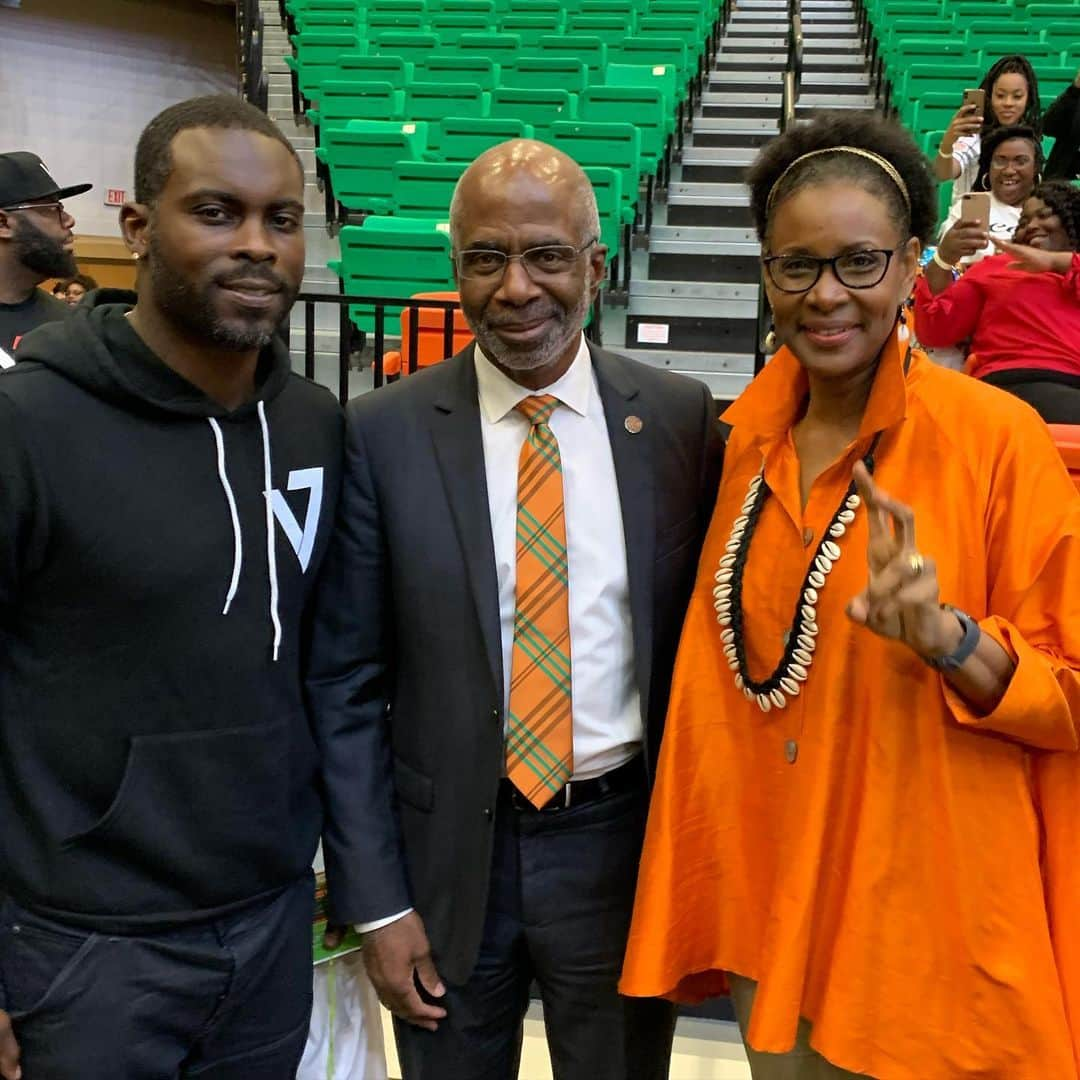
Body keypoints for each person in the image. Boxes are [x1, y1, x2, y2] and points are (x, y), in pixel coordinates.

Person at [620, 110, 1080, 1080]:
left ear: (913, 264)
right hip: (767, 891)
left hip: (920, 919)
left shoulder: (997, 440)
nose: (827, 295)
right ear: (766, 273)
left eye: (860, 263)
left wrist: (952, 639)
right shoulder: (740, 437)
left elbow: (1069, 688)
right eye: (797, 265)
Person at [308, 138, 722, 1080]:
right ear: (455, 269)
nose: (517, 288)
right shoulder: (381, 433)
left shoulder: (677, 420)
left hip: (620, 851)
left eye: (545, 256)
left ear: (595, 265)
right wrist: (375, 902)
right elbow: (342, 682)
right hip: (444, 860)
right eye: (486, 259)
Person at [0, 95, 343, 1080]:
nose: (257, 245)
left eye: (280, 219)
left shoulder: (314, 423)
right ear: (140, 231)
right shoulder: (30, 426)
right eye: (217, 212)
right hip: (84, 947)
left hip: (271, 924)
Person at [914, 180, 1080, 423]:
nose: (1032, 226)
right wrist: (943, 258)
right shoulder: (995, 268)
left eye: (1044, 216)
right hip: (1012, 383)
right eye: (1023, 222)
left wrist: (1056, 263)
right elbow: (935, 330)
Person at [0, 151, 90, 353]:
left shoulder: (68, 325)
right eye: (52, 208)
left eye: (62, 206)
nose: (69, 220)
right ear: (3, 223)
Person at [933, 55, 1041, 211]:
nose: (1008, 103)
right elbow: (944, 173)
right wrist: (948, 141)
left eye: (1017, 96)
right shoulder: (973, 135)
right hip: (969, 220)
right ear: (989, 97)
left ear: (1028, 99)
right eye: (1000, 95)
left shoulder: (1030, 140)